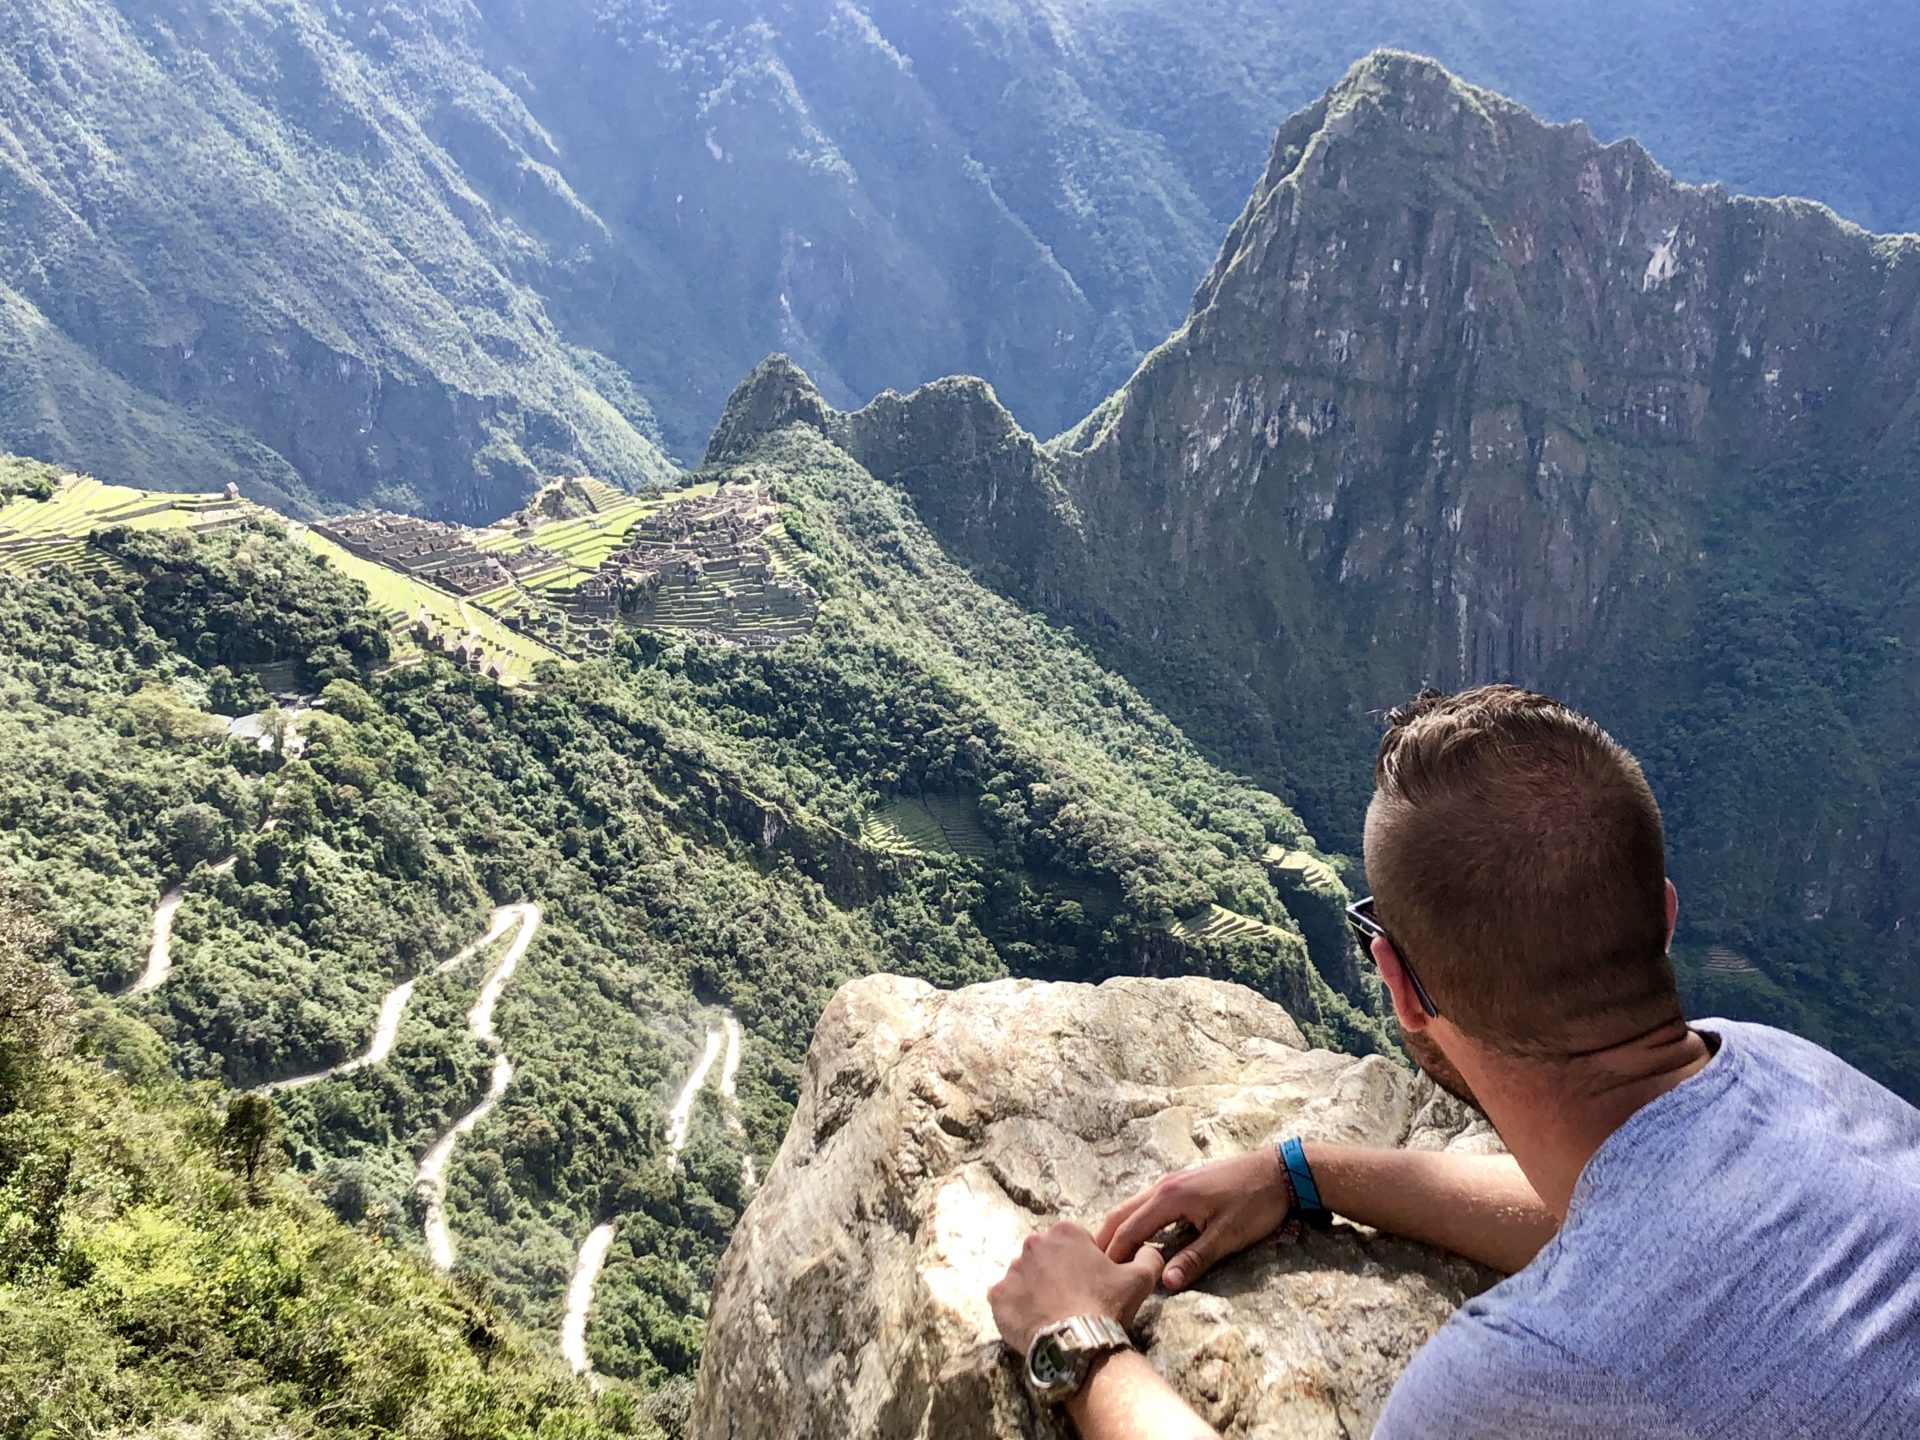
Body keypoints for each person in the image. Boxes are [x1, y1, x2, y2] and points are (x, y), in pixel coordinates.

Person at [988, 684, 1920, 1438]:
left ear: (1396, 983)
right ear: (1665, 918)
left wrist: (1081, 1345)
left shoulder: (1524, 1374)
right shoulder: (1789, 1070)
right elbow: (1603, 1218)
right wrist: (1304, 1173)